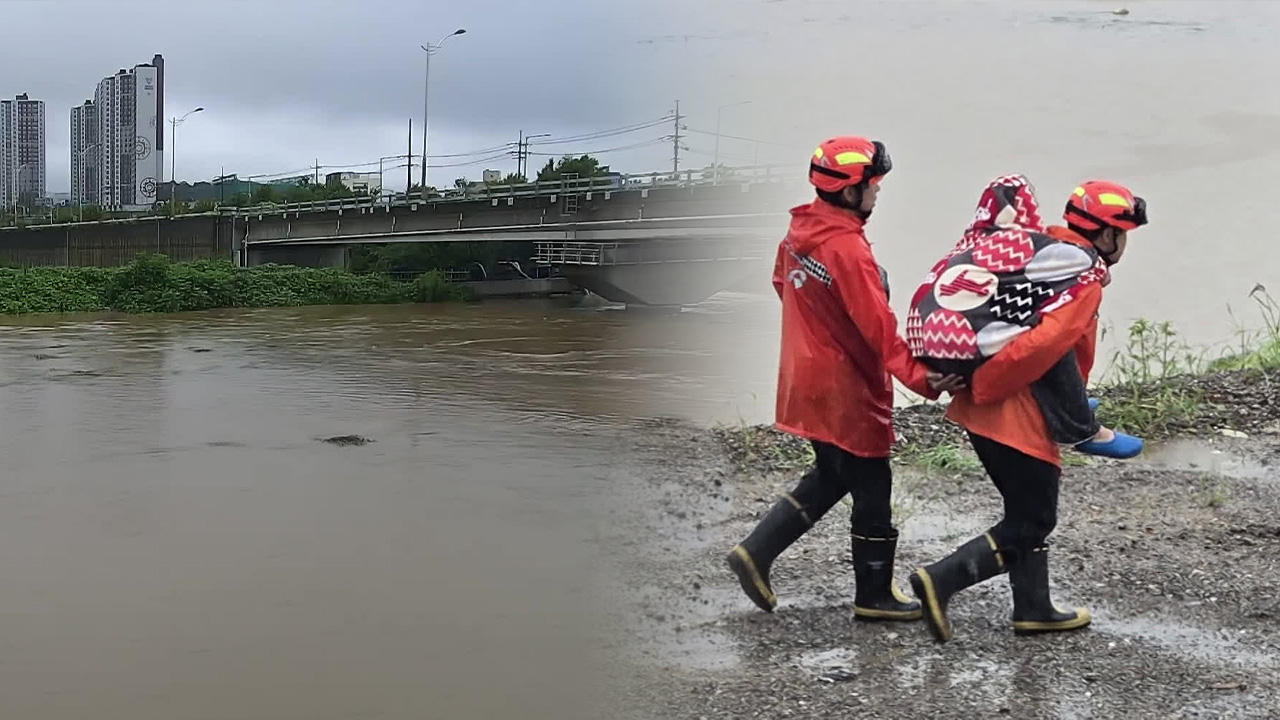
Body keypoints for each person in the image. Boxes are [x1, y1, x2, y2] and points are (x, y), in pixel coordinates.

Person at [725, 136, 965, 621]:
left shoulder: (797, 235)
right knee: (873, 482)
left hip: (804, 376)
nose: (878, 193)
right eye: (874, 184)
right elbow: (879, 329)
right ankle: (874, 595)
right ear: (851, 190)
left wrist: (818, 330)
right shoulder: (847, 249)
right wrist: (925, 378)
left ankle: (756, 551)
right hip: (845, 386)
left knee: (835, 473)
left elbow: (782, 285)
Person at [906, 179, 1149, 643]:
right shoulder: (1080, 280)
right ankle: (941, 580)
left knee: (1025, 509)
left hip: (985, 412)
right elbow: (1040, 350)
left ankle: (1033, 608)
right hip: (1012, 415)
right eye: (1124, 235)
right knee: (1033, 520)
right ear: (1107, 235)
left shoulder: (1046, 250)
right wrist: (993, 388)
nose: (1125, 246)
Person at [905, 174, 1143, 459]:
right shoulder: (1083, 272)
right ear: (1108, 236)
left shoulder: (1040, 247)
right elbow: (1046, 345)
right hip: (977, 362)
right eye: (1124, 234)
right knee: (1056, 336)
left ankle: (1070, 402)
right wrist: (984, 385)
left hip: (935, 342)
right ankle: (1081, 430)